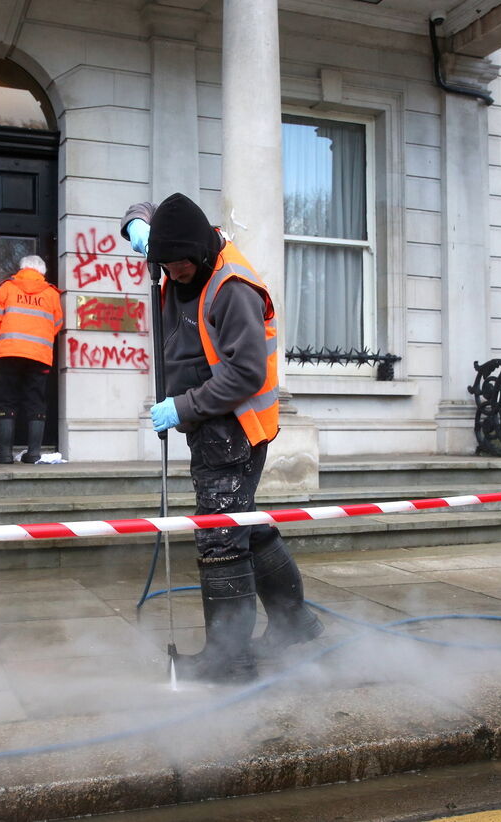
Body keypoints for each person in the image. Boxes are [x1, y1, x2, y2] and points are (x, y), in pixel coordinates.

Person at [122, 193, 323, 684]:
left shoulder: (232, 287)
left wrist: (182, 407)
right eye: (164, 266)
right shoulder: (182, 244)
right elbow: (151, 210)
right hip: (208, 419)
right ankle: (296, 624)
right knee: (245, 524)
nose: (173, 275)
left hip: (234, 426)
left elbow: (248, 372)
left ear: (202, 253)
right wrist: (135, 225)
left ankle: (228, 659)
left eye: (180, 267)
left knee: (220, 533)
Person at [0, 254, 63, 464]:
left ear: (22, 269)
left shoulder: (6, 288)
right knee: (36, 402)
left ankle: (5, 454)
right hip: (39, 355)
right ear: (42, 272)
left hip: (9, 354)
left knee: (7, 400)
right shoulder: (51, 294)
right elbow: (57, 324)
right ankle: (33, 454)